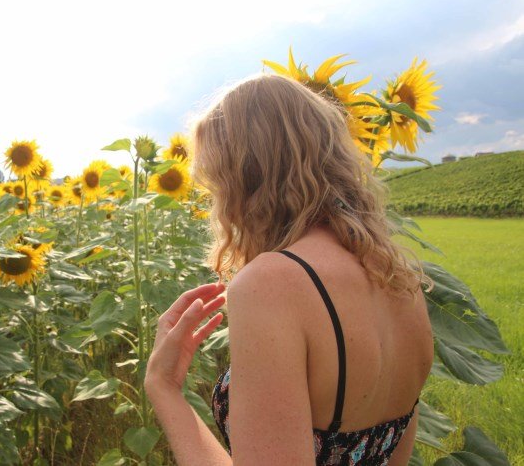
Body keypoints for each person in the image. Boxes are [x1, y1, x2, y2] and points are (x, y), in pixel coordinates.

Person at [144, 74, 435, 465]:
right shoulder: (400, 279)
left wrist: (163, 388)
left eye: (214, 186)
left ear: (241, 181)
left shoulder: (273, 283)